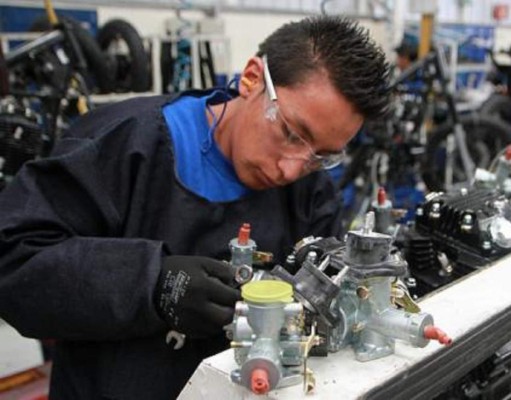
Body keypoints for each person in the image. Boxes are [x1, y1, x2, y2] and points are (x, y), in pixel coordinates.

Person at [0, 15, 389, 400]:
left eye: (322, 156)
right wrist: (152, 284)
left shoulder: (310, 188)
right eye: (290, 132)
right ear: (252, 79)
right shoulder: (122, 143)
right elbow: (14, 258)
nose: (291, 169)